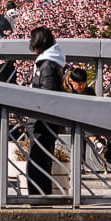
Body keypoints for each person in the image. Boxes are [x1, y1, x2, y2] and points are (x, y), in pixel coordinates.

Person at [26, 26, 65, 196]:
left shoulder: (47, 65)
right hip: (43, 124)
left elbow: (47, 96)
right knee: (39, 165)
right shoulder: (50, 63)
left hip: (42, 124)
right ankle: (40, 200)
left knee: (37, 166)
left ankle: (39, 201)